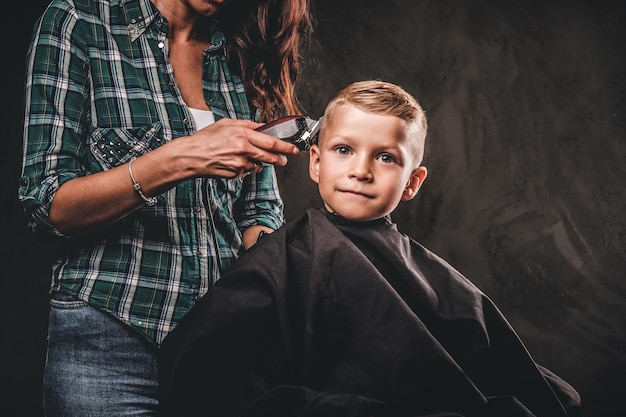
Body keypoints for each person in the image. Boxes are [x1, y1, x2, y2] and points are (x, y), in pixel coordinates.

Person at [158, 80, 583, 417]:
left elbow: (504, 370)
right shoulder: (280, 260)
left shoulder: (433, 278)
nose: (360, 170)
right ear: (316, 162)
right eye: (344, 150)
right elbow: (205, 374)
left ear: (413, 182)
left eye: (385, 158)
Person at [18, 0, 314, 415]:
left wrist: (277, 266)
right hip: (109, 345)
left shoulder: (238, 50)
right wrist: (180, 158)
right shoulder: (79, 22)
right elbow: (47, 205)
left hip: (221, 349)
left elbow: (257, 209)